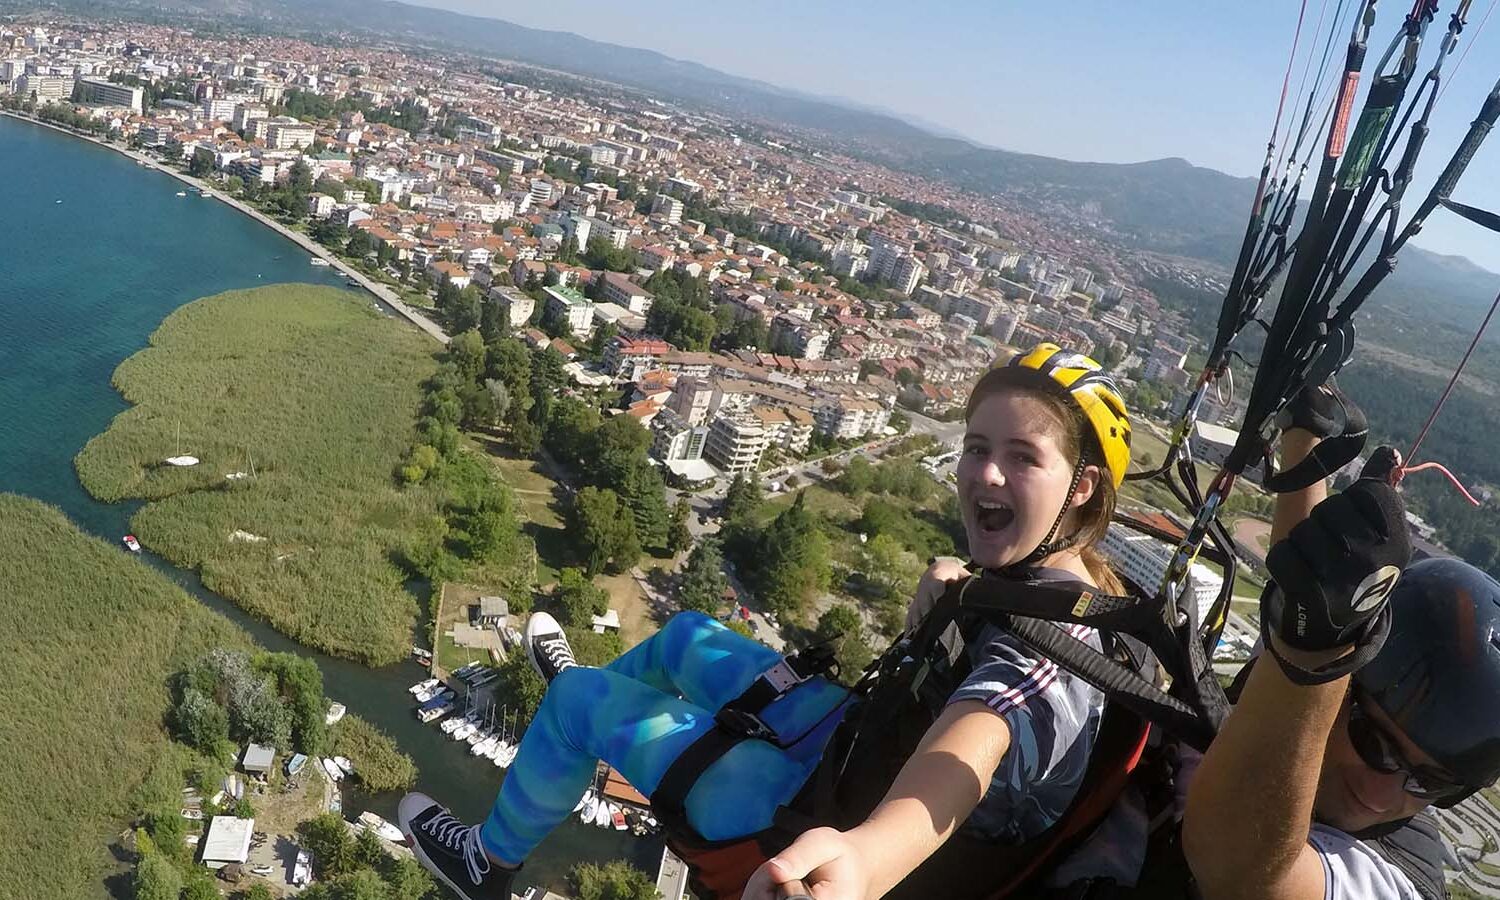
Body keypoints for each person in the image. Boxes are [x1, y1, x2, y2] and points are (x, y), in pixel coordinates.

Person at [395, 343, 1137, 900]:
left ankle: (486, 863)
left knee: (575, 704)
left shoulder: (1053, 646)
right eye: (976, 448)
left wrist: (867, 861)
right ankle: (578, 717)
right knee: (684, 633)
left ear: (1082, 489)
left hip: (826, 823)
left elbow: (972, 749)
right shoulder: (1055, 586)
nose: (985, 474)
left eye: (1021, 457)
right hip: (851, 760)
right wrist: (962, 583)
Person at [1179, 421, 1500, 900]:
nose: (1378, 795)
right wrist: (1307, 429)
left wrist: (1317, 652)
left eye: (1433, 784)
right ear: (1343, 687)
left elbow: (1242, 874)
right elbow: (1303, 595)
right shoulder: (1301, 680)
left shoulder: (1398, 881)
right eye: (1372, 742)